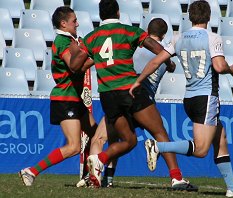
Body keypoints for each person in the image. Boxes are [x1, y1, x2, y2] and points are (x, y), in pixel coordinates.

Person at [69, 0, 197, 191]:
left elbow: (74, 66)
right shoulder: (130, 31)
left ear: (100, 15)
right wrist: (169, 64)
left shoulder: (91, 37)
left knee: (127, 141)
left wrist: (91, 57)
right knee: (159, 132)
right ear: (118, 13)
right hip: (130, 91)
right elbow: (155, 48)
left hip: (107, 95)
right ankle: (176, 178)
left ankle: (100, 161)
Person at [129, 1, 233, 197]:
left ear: (190, 17)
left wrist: (138, 81)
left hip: (189, 98)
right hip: (206, 97)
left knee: (220, 137)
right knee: (201, 150)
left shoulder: (178, 38)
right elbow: (218, 66)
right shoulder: (212, 37)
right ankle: (158, 147)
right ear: (208, 17)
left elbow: (156, 60)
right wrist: (231, 69)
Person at [18, 6, 99, 186]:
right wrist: (95, 58)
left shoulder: (73, 39)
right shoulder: (62, 40)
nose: (77, 24)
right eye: (74, 21)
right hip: (65, 99)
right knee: (74, 146)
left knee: (97, 134)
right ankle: (31, 171)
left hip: (75, 98)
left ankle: (90, 176)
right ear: (63, 24)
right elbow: (73, 66)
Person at [95, 17, 176, 188]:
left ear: (147, 31)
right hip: (143, 99)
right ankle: (175, 177)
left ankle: (107, 178)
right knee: (160, 133)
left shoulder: (137, 49)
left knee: (114, 138)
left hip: (122, 94)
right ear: (164, 34)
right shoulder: (163, 54)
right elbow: (171, 66)